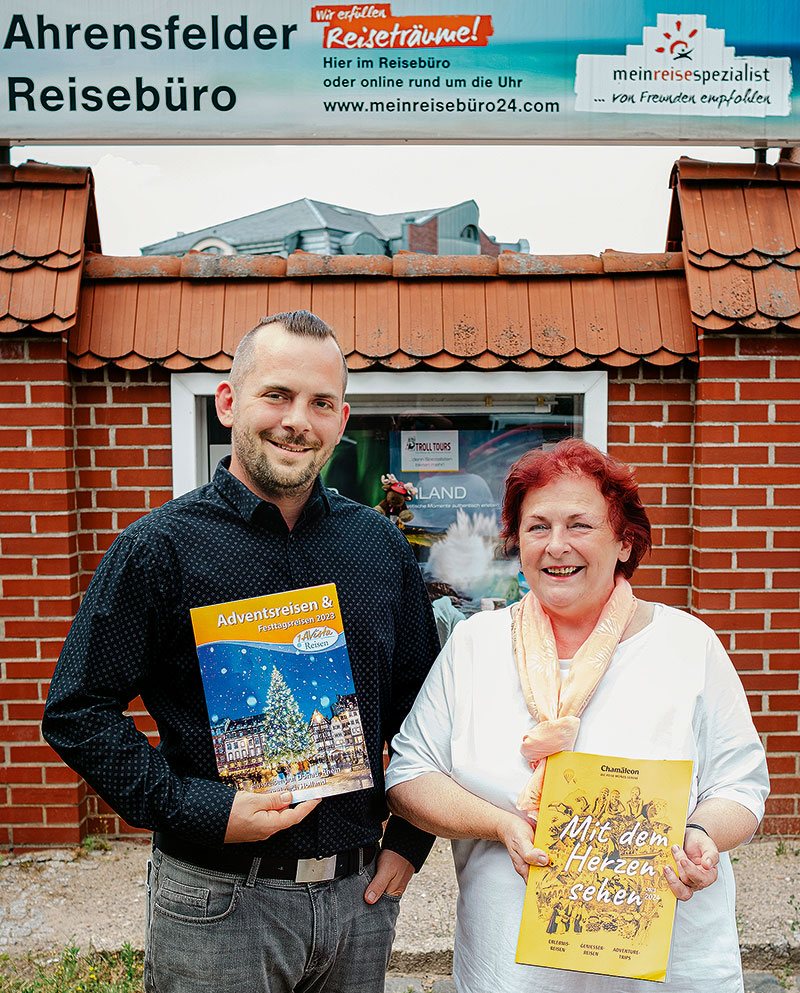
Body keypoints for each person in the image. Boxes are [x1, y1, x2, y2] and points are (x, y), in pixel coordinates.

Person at [42, 310, 440, 993]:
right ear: (230, 401)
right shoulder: (157, 548)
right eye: (277, 395)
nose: (297, 421)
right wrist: (201, 807)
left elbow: (426, 709)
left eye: (319, 403)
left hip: (358, 901)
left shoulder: (379, 548)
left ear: (341, 420)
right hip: (216, 904)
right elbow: (77, 710)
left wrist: (410, 840)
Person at [385, 438, 769, 993]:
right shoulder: (475, 646)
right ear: (517, 543)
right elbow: (408, 777)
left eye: (579, 526)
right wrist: (502, 824)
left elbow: (741, 784)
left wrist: (703, 834)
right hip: (512, 972)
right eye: (537, 527)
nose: (556, 546)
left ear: (624, 541)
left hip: (668, 970)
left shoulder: (688, 645)